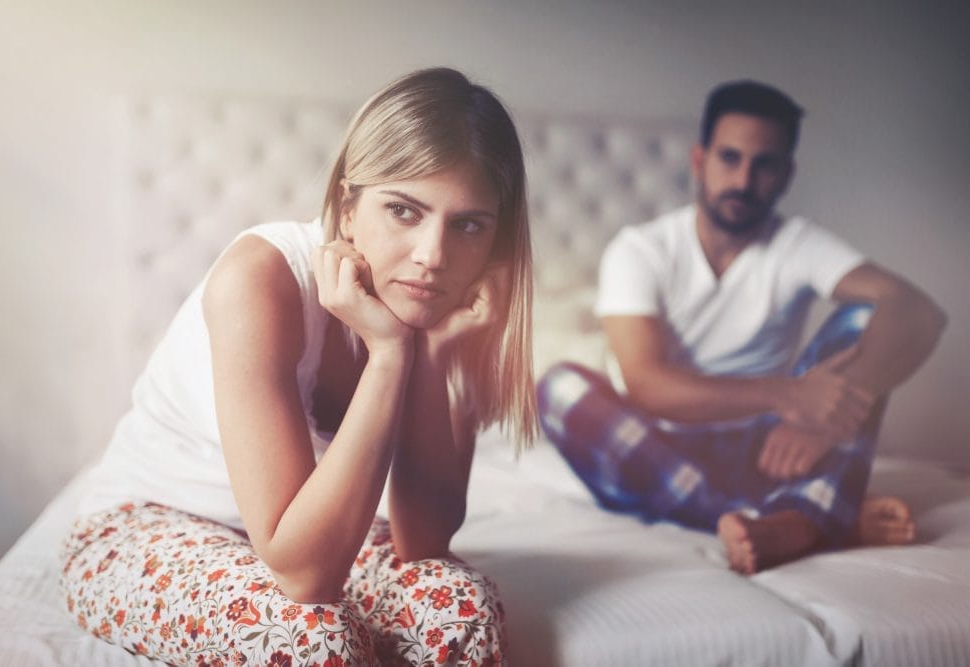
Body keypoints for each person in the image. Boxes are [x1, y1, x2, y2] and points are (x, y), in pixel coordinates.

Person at [60, 67, 536, 666]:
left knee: (460, 609)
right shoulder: (260, 278)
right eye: (405, 212)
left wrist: (434, 354)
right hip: (147, 527)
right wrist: (390, 355)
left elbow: (425, 541)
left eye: (468, 225)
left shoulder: (441, 306)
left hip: (309, 535)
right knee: (311, 641)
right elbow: (307, 577)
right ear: (348, 205)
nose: (433, 256)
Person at [537, 80, 946, 575]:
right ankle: (812, 521)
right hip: (656, 446)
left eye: (764, 164)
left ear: (786, 174)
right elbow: (648, 386)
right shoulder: (641, 250)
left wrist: (831, 411)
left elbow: (917, 312)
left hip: (767, 451)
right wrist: (789, 396)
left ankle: (789, 514)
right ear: (699, 160)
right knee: (559, 388)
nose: (744, 179)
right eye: (730, 158)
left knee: (868, 322)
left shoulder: (796, 243)